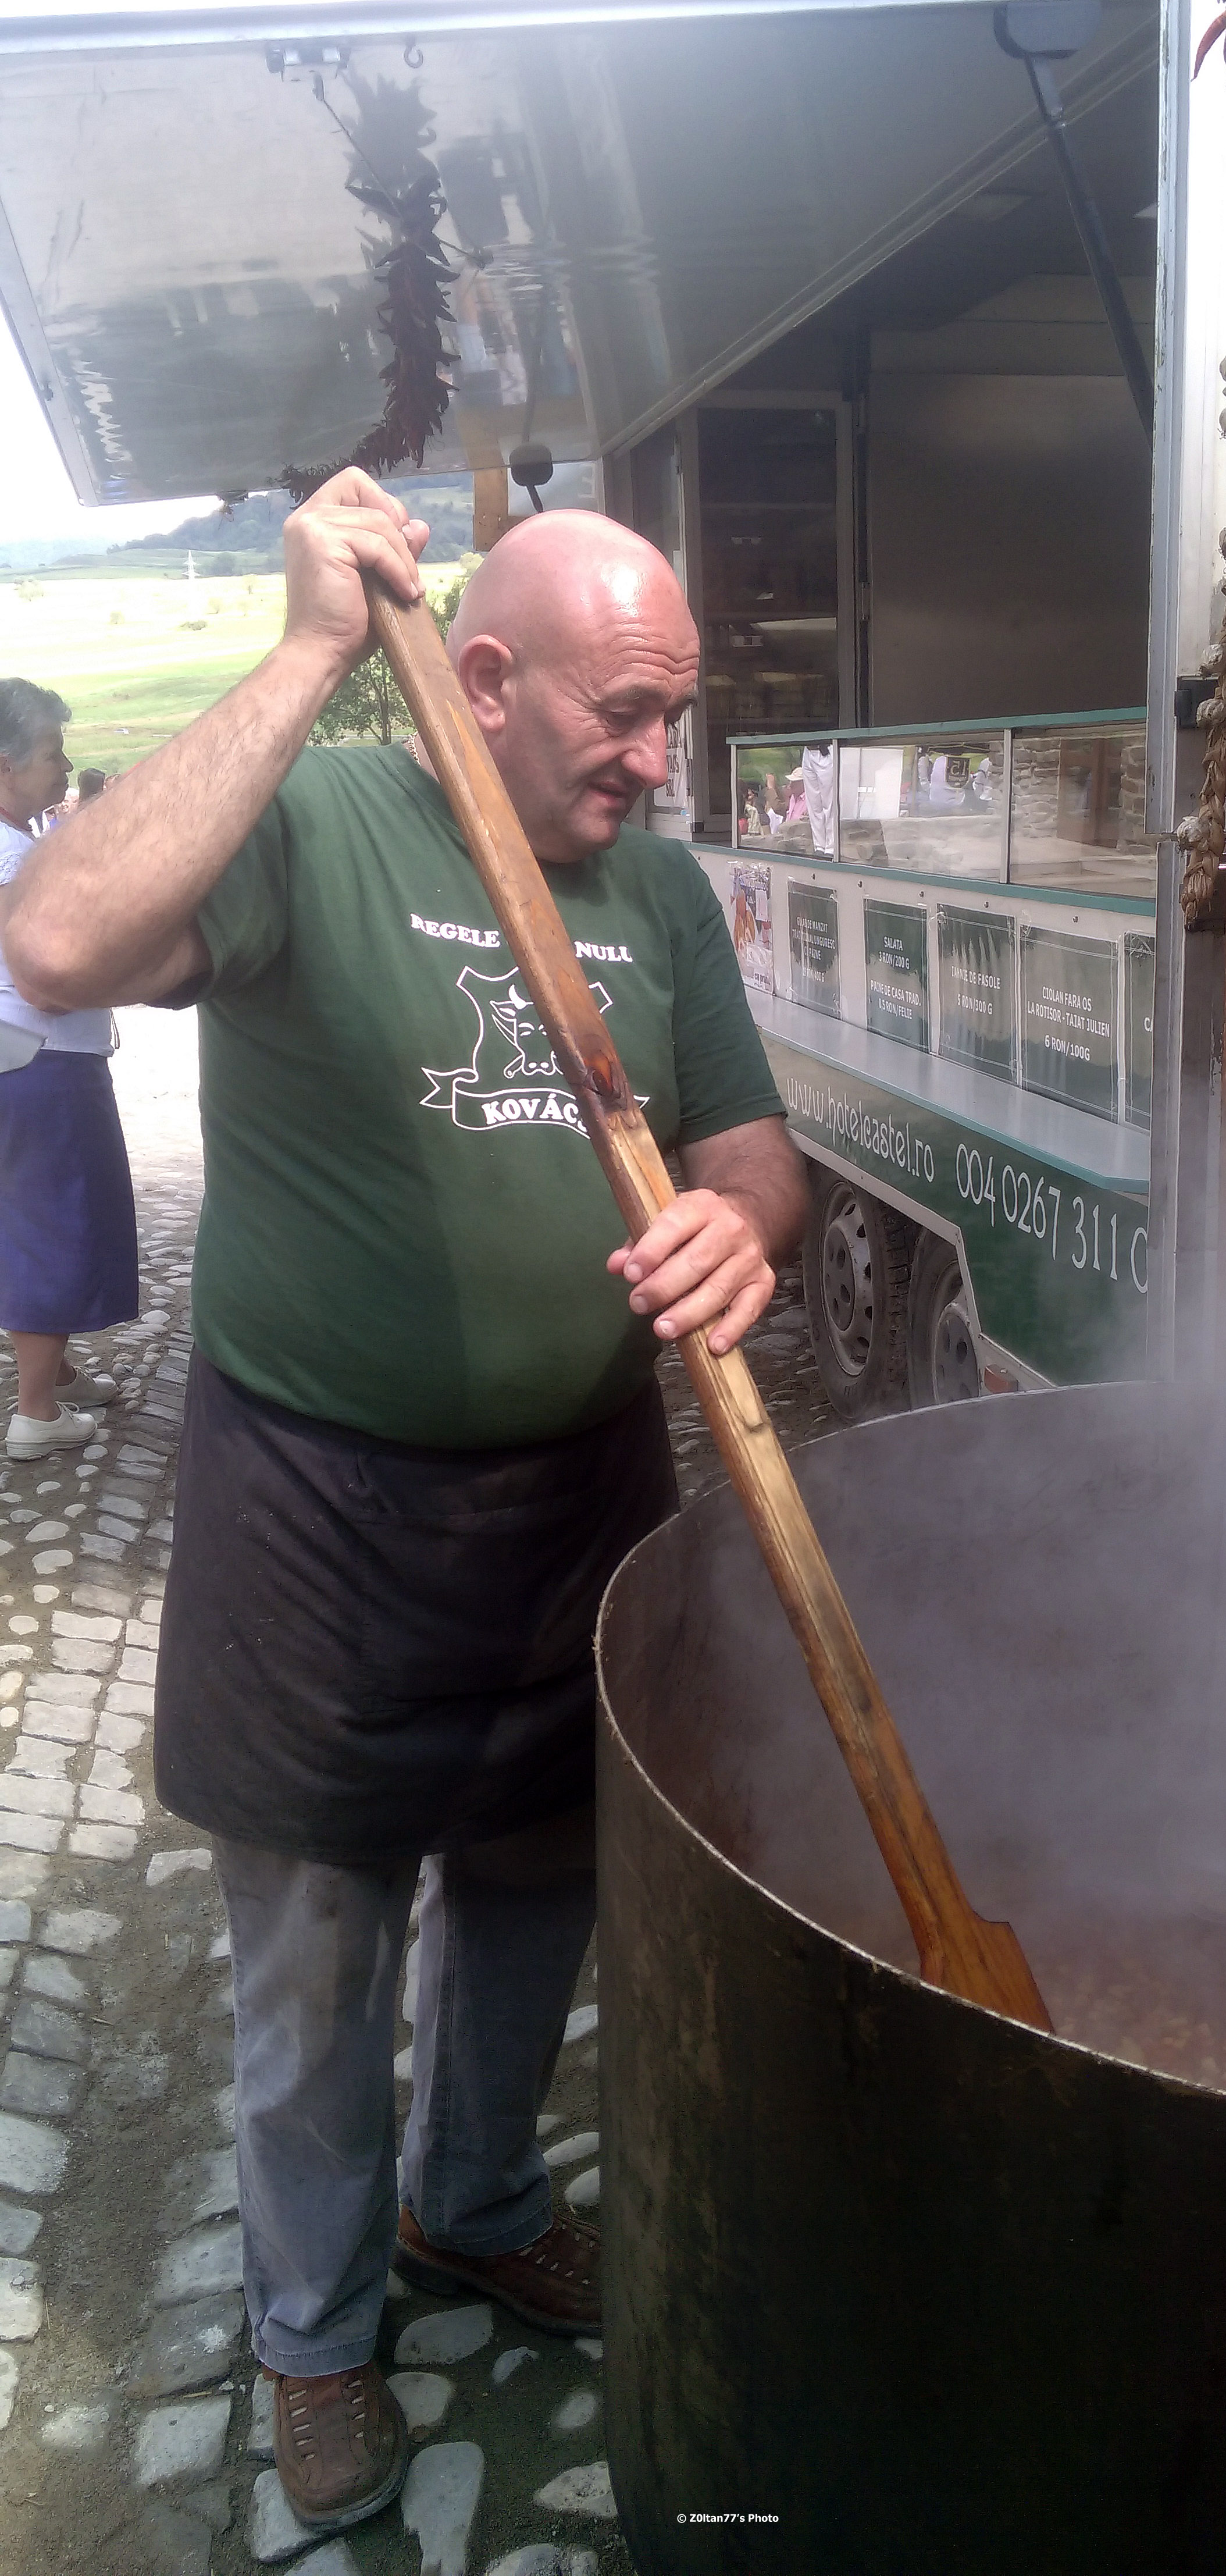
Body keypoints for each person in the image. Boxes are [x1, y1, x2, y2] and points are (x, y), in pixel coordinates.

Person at [0, 476, 809, 2542]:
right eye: (627, 712)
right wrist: (301, 651)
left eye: (675, 715)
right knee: (319, 1955)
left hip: (583, 1505)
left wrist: (742, 1221)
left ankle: (480, 2201)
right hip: (320, 1507)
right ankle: (312, 2323)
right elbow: (59, 935)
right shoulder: (321, 825)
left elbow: (749, 1143)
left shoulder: (662, 894)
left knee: (538, 1900)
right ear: (487, 675)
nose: (660, 757)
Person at [0, 680, 132, 1460]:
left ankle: (56, 1371)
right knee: (51, 1224)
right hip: (42, 1060)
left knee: (29, 1217)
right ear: (6, 765)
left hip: (24, 1059)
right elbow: (49, 973)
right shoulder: (14, 856)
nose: (65, 764)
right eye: (52, 753)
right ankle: (36, 1412)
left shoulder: (19, 845)